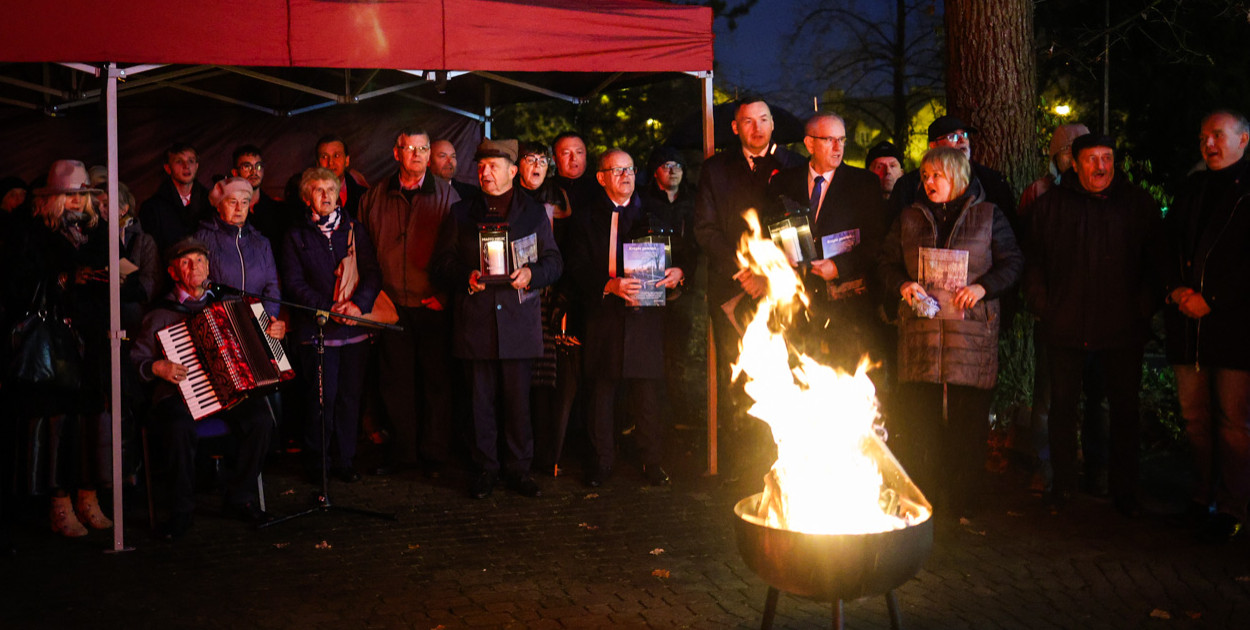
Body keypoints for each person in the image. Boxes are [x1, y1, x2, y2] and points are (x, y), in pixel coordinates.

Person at [878, 147, 1023, 516]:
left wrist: (983, 287)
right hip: (922, 339)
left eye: (937, 175)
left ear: (958, 177)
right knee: (920, 426)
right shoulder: (909, 218)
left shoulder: (989, 216)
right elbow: (886, 263)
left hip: (969, 340)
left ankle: (963, 505)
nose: (929, 182)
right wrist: (903, 286)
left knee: (967, 428)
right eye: (925, 175)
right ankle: (922, 503)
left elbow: (1013, 263)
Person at [1025, 133, 1163, 515]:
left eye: (1107, 158)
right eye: (1092, 159)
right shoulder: (1050, 207)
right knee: (1062, 409)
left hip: (1121, 329)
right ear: (1075, 162)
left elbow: (1156, 263)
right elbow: (1032, 260)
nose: (1101, 166)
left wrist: (1142, 308)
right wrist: (1043, 304)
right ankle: (1064, 488)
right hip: (1065, 325)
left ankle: (1124, 491)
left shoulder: (1137, 205)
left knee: (1123, 410)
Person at [433, 139, 562, 499]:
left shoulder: (534, 213)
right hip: (476, 323)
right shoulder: (461, 213)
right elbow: (441, 264)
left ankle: (519, 469)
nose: (484, 173)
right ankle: (485, 469)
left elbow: (555, 262)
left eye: (492, 167)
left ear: (512, 171)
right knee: (480, 403)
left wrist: (531, 275)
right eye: (480, 167)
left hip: (518, 325)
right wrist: (467, 277)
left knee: (518, 402)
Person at [131, 238, 278, 540]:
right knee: (178, 427)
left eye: (199, 261)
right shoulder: (159, 314)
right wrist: (157, 367)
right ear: (173, 272)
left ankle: (240, 496)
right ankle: (181, 510)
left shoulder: (228, 306)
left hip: (228, 393)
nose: (194, 267)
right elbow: (137, 361)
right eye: (186, 262)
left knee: (262, 419)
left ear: (209, 267)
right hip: (178, 395)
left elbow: (263, 345)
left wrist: (273, 332)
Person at [1, 160, 113, 538]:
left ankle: (87, 494)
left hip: (89, 335)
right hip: (50, 338)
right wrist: (62, 277)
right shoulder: (29, 231)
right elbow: (18, 281)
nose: (76, 202)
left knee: (88, 418)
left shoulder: (95, 230)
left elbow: (110, 265)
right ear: (51, 198)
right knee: (56, 423)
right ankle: (58, 501)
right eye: (69, 195)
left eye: (81, 195)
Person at [693, 96, 804, 466]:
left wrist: (770, 276)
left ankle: (788, 462)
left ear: (773, 123)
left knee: (789, 372)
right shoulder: (715, 169)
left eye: (763, 119)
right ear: (735, 127)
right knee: (739, 376)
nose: (756, 128)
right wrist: (744, 273)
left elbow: (801, 231)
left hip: (783, 290)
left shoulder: (795, 166)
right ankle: (743, 466)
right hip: (732, 288)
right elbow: (705, 230)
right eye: (748, 121)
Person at [566, 149, 686, 487]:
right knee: (601, 392)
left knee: (647, 391)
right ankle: (601, 461)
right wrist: (609, 284)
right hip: (603, 313)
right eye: (617, 170)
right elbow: (574, 267)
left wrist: (679, 272)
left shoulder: (656, 212)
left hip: (646, 315)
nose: (626, 175)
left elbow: (683, 257)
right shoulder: (585, 218)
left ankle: (651, 460)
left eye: (630, 169)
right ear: (601, 177)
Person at [1163, 110, 1250, 541]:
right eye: (1203, 137)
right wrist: (1177, 291)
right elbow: (1165, 245)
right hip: (1187, 328)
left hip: (1233, 331)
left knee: (1234, 422)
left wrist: (1210, 300)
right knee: (1194, 417)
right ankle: (1202, 496)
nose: (1208, 144)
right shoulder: (1192, 188)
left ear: (1243, 139)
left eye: (1217, 135)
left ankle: (1234, 506)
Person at [357, 127, 461, 477]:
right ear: (395, 152)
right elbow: (362, 252)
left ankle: (434, 454)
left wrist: (444, 294)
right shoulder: (373, 198)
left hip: (432, 302)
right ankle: (403, 454)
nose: (416, 154)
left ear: (430, 155)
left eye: (422, 148)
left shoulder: (449, 197)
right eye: (409, 148)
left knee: (436, 382)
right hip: (390, 304)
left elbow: (460, 253)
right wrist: (374, 297)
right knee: (395, 382)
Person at [279, 168, 382, 484]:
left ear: (340, 194)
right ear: (307, 195)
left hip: (353, 329)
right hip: (317, 331)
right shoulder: (295, 235)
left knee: (350, 398)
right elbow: (293, 284)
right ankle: (318, 462)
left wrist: (357, 305)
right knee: (321, 399)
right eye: (318, 190)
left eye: (331, 189)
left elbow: (372, 273)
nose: (325, 195)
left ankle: (344, 459)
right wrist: (328, 308)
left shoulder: (355, 230)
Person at [766, 112, 888, 372]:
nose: (838, 147)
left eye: (842, 139)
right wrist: (778, 258)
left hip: (846, 309)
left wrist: (839, 267)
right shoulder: (782, 182)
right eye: (829, 139)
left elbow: (877, 241)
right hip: (797, 305)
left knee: (845, 385)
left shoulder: (864, 184)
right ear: (809, 144)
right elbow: (768, 233)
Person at [1014, 122, 1096, 494]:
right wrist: (1041, 303)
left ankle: (1095, 471)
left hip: (1097, 316)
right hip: (1052, 312)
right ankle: (1044, 468)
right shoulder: (1039, 193)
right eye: (1068, 150)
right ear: (1057, 156)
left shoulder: (1103, 191)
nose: (1074, 157)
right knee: (1047, 395)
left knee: (1096, 395)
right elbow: (1027, 251)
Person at [888, 115, 1018, 233]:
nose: (962, 140)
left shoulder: (991, 181)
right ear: (934, 145)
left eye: (964, 134)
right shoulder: (909, 184)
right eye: (953, 136)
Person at [193, 177, 283, 318]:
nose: (239, 209)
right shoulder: (202, 239)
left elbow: (271, 287)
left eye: (244, 202)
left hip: (256, 322)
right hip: (219, 321)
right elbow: (196, 284)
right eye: (232, 202)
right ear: (219, 205)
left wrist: (268, 318)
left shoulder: (261, 243)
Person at [138, 142, 213, 252]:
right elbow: (150, 252)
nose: (186, 166)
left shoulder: (211, 202)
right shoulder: (152, 208)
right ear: (168, 168)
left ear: (197, 166)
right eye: (179, 161)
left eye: (191, 161)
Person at [230, 144, 286, 245]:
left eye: (258, 166)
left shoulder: (278, 211)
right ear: (235, 172)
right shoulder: (228, 212)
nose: (254, 171)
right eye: (247, 166)